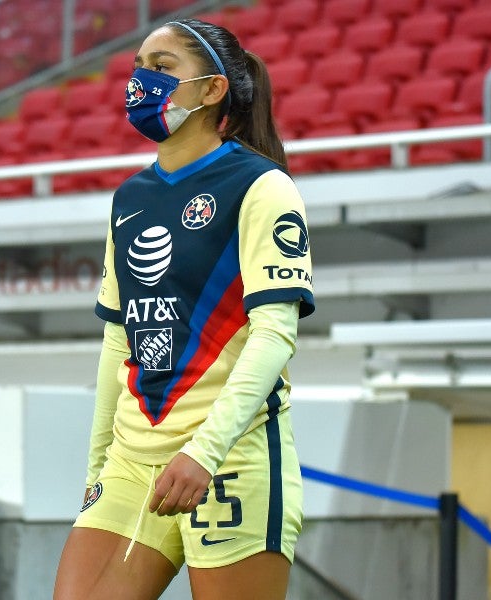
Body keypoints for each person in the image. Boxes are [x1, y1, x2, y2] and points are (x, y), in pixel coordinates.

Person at [54, 18, 314, 600]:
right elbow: (119, 341)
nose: (141, 80)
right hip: (131, 459)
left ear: (212, 89)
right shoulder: (129, 197)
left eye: (163, 66)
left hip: (229, 459)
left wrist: (203, 451)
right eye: (139, 65)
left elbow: (275, 335)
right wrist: (98, 467)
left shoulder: (262, 186)